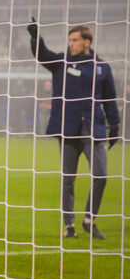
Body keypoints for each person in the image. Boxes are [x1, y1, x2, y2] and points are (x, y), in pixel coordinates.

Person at [27, 19, 120, 239]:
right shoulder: (62, 62)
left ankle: (89, 220)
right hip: (68, 130)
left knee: (101, 175)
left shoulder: (102, 67)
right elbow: (42, 56)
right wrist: (36, 39)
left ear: (87, 42)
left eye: (75, 40)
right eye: (69, 40)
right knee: (68, 179)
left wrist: (114, 125)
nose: (71, 44)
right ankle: (69, 225)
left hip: (93, 129)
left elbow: (109, 99)